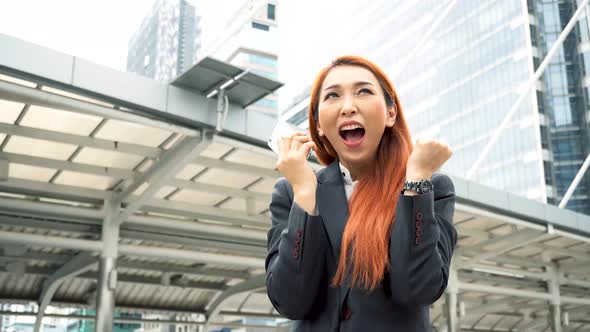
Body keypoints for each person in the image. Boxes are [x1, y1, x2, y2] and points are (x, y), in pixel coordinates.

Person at [265, 55, 457, 331]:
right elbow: (290, 301)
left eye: (363, 91)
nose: (348, 107)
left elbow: (417, 289)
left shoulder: (431, 187)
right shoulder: (290, 192)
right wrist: (305, 193)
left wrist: (416, 181)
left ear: (391, 114)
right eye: (332, 96)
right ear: (318, 124)